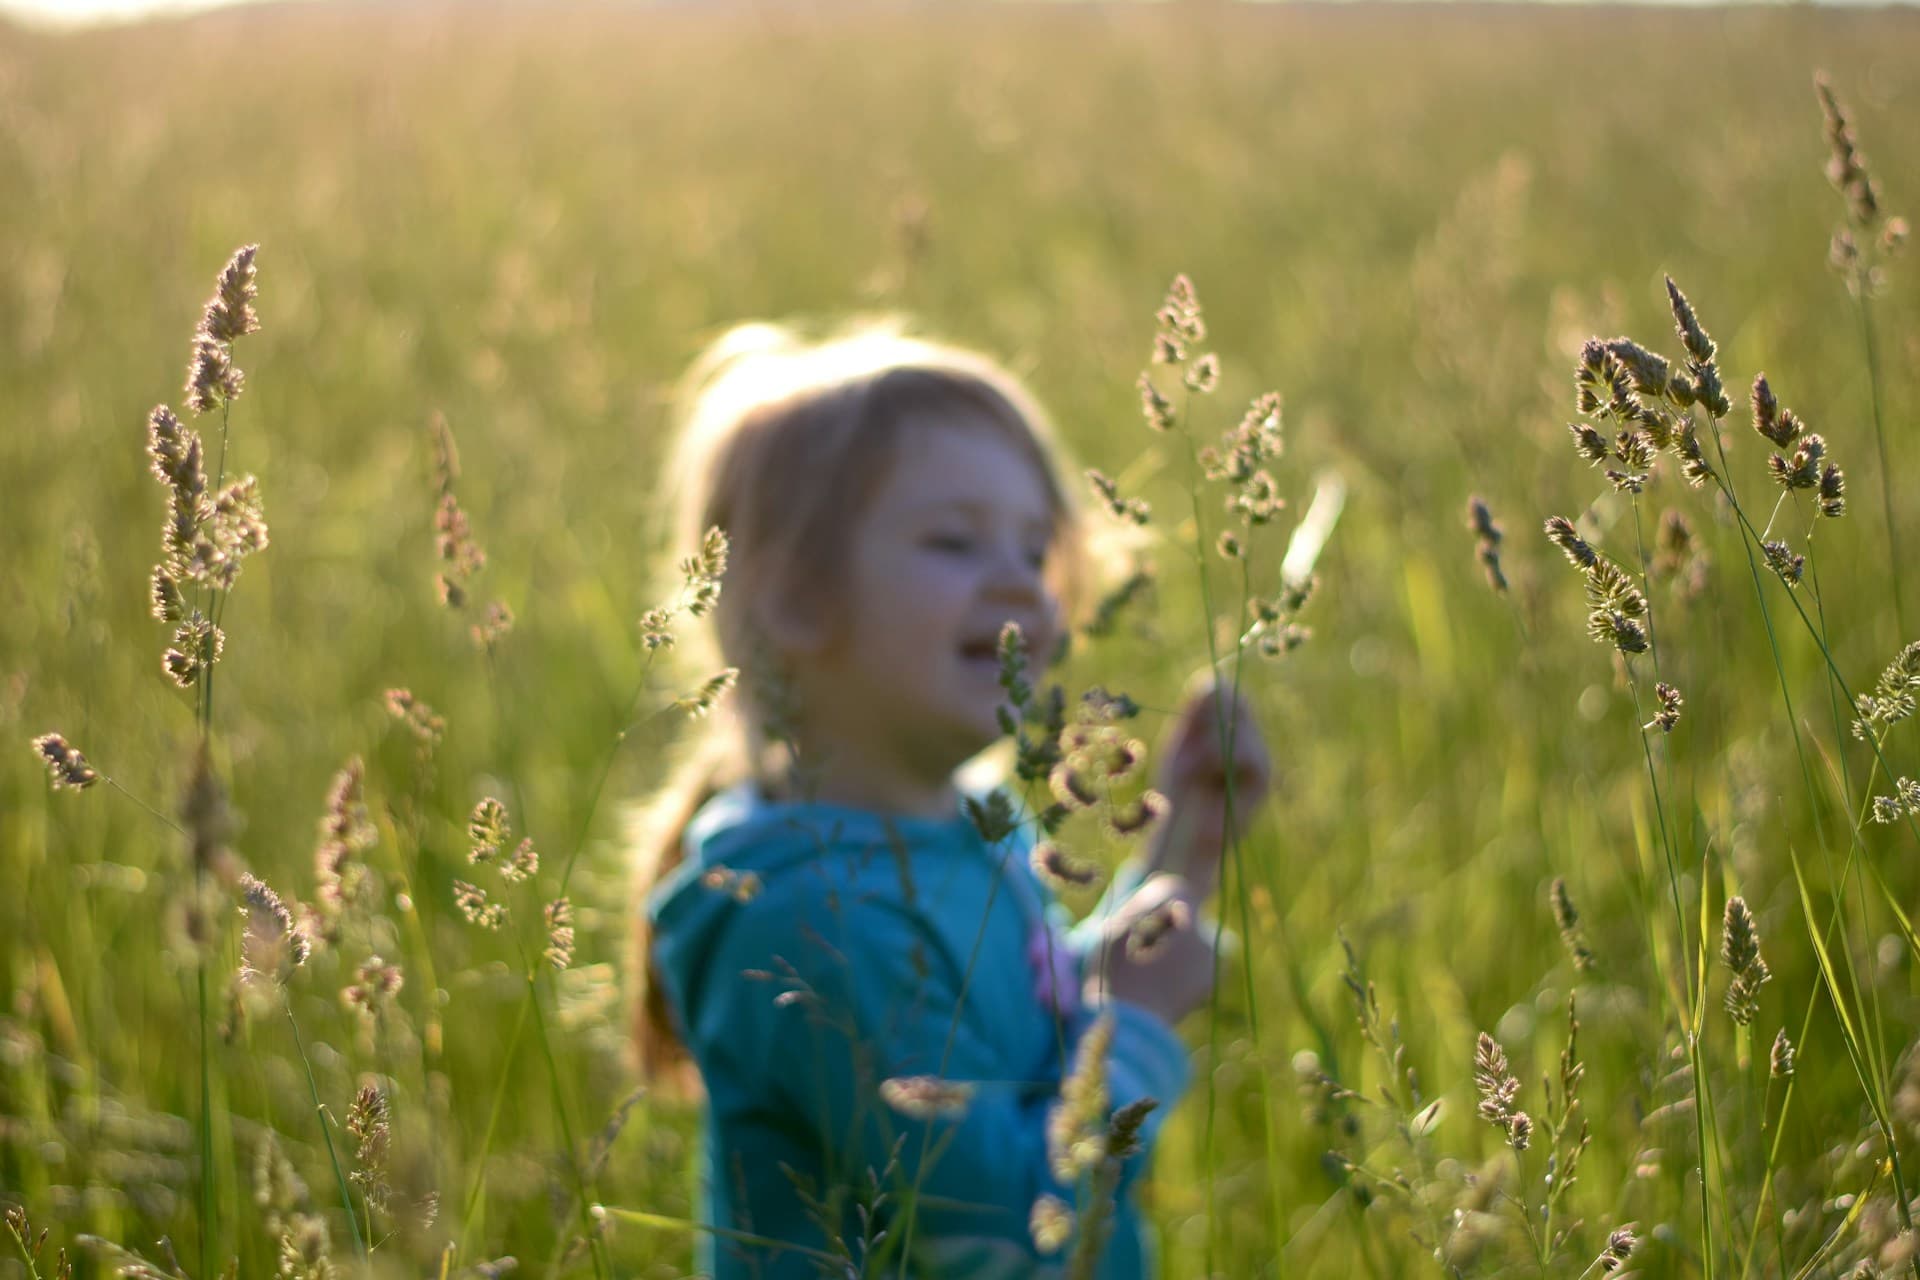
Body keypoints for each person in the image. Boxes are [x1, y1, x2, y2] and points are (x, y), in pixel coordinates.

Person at [631, 320, 1272, 1279]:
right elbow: (1010, 1226)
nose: (1022, 580)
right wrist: (1130, 1030)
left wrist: (1183, 853)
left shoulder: (963, 824)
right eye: (954, 540)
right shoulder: (809, 920)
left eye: (1033, 545)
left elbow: (1020, 1040)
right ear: (793, 600)